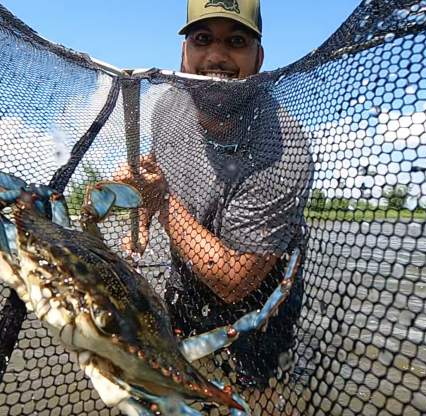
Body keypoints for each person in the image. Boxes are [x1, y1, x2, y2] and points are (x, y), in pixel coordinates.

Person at [116, 0, 313, 390]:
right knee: (168, 374)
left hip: (260, 299)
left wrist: (161, 202)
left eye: (236, 41)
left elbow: (234, 279)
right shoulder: (169, 103)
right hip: (186, 277)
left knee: (255, 392)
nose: (217, 56)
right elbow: (156, 169)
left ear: (258, 57)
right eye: (202, 39)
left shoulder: (282, 146)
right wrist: (140, 208)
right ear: (183, 52)